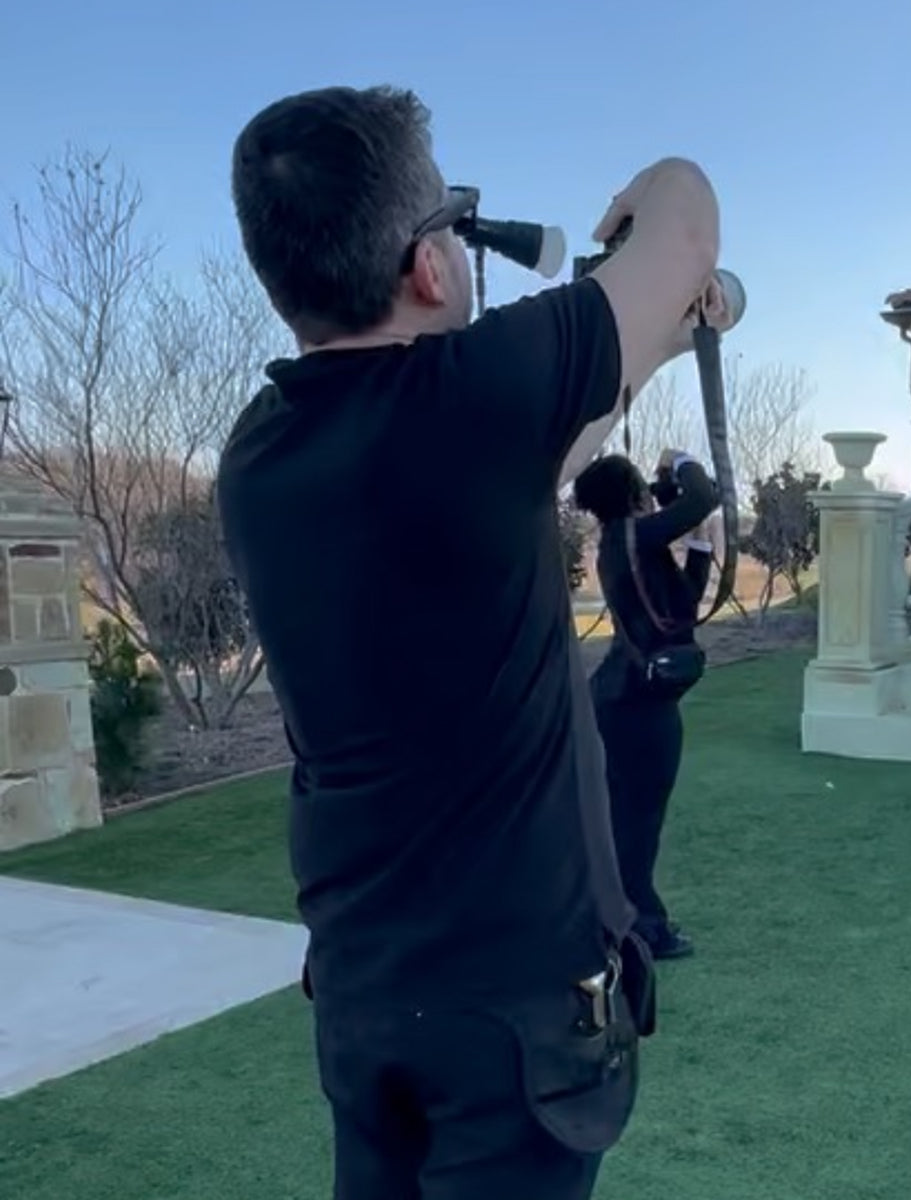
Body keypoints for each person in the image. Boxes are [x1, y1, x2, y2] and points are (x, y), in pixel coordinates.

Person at [215, 85, 726, 1198]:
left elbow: (522, 454)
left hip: (365, 995)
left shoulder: (258, 454)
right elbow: (685, 223)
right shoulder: (479, 397)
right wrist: (644, 196)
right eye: (451, 226)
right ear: (430, 270)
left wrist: (644, 342)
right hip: (512, 1024)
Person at [574, 449, 720, 962]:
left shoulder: (628, 542)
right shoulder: (632, 538)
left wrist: (700, 540)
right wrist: (681, 463)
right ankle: (642, 929)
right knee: (636, 821)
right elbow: (702, 496)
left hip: (632, 700)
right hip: (634, 706)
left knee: (630, 818)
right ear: (632, 494)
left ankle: (611, 918)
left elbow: (684, 603)